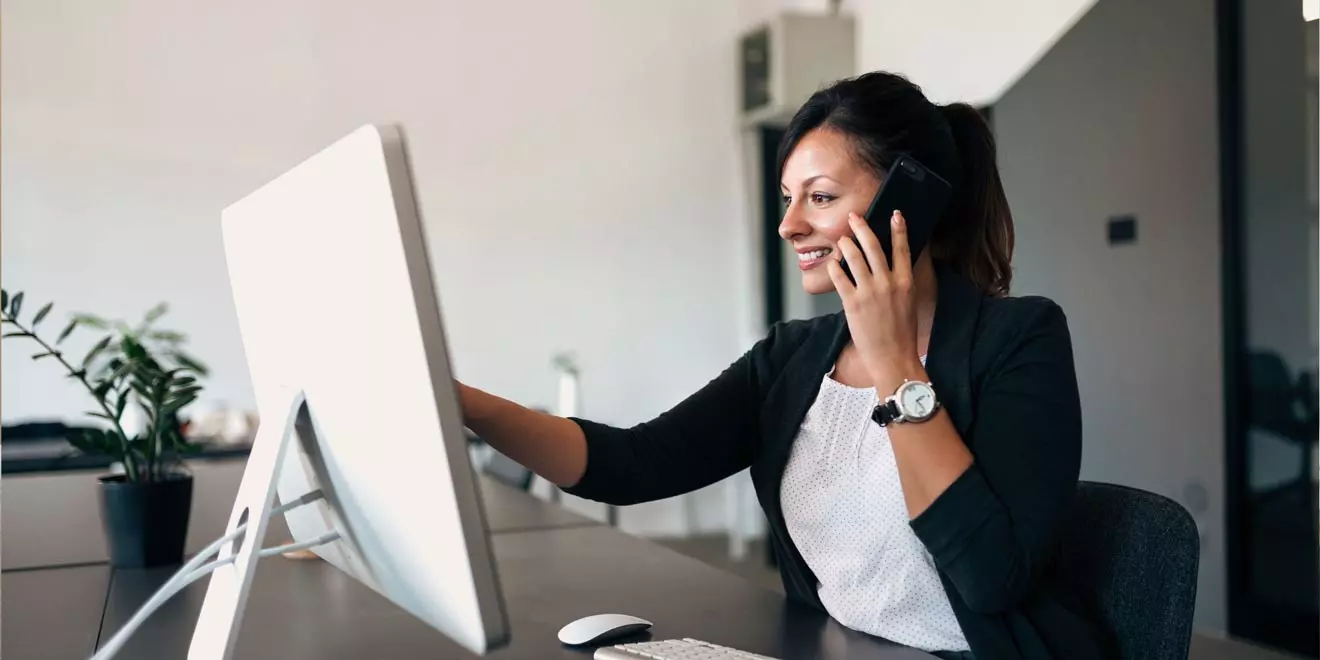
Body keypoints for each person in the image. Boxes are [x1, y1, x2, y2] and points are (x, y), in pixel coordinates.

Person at [459, 71, 1108, 660]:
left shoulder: (1020, 340)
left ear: (910, 201)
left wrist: (893, 362)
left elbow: (991, 577)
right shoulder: (791, 358)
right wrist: (463, 404)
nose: (788, 225)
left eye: (819, 198)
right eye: (786, 198)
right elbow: (630, 463)